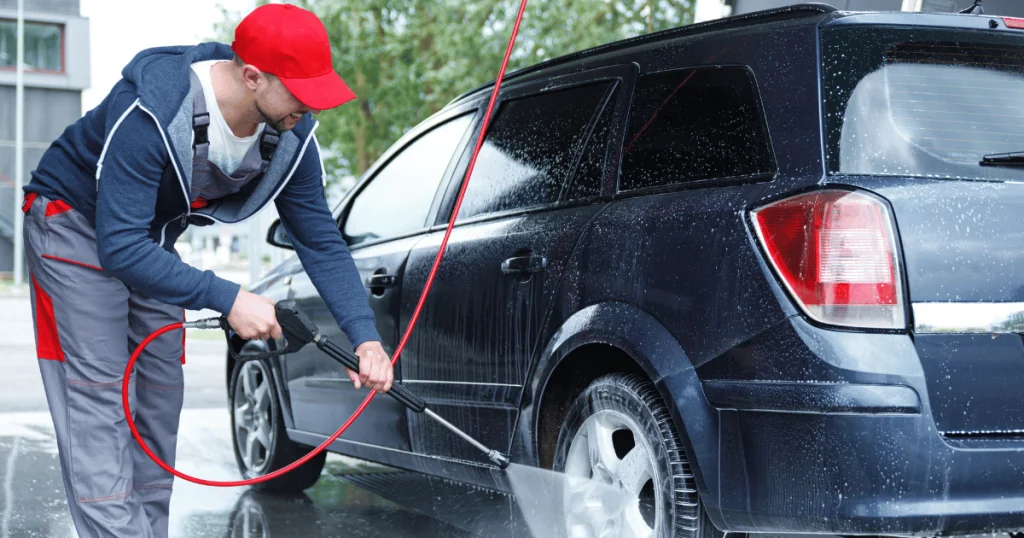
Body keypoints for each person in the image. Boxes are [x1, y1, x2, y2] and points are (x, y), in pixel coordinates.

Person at [19, 4, 393, 537]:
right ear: (251, 76)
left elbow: (320, 241)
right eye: (301, 92)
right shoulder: (152, 111)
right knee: (98, 393)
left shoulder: (291, 133)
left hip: (146, 235)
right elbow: (119, 248)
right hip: (73, 221)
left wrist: (366, 338)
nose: (313, 108)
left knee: (159, 390)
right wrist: (230, 297)